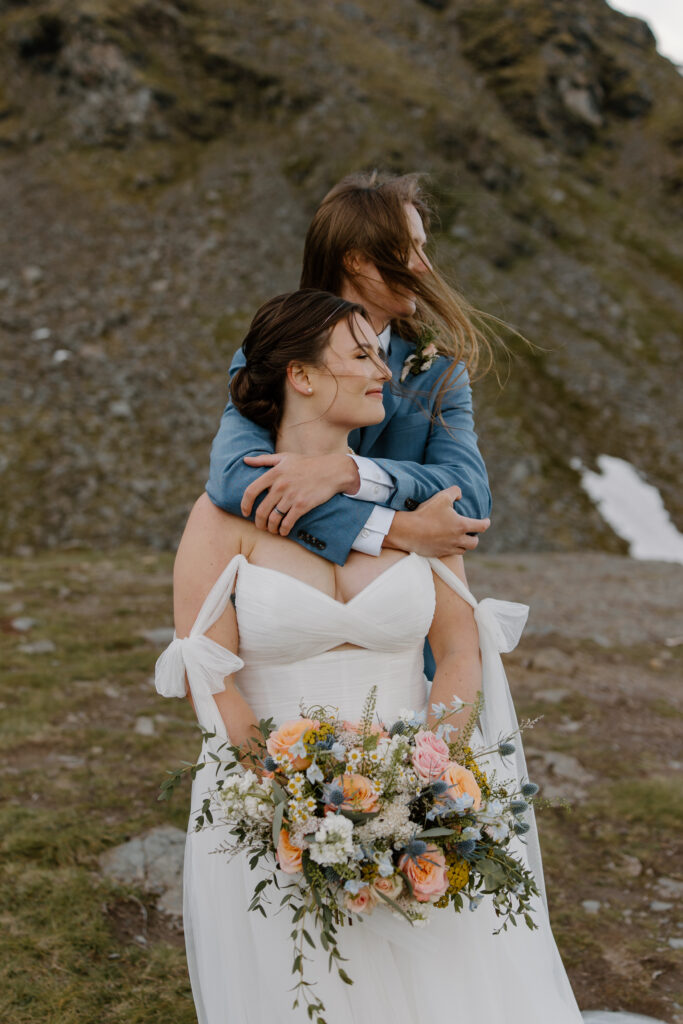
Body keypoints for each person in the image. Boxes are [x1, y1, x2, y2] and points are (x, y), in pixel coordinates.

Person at [155, 289, 584, 1024]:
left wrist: (428, 778)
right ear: (302, 377)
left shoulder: (410, 522)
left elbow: (455, 648)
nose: (384, 373)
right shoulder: (220, 518)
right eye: (360, 356)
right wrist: (289, 798)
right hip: (276, 812)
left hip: (420, 806)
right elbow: (211, 676)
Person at [206, 172, 492, 594]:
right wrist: (394, 530)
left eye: (423, 248)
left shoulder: (440, 372)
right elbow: (234, 480)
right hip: (288, 609)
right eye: (408, 249)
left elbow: (469, 500)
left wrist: (350, 473)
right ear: (356, 260)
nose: (425, 266)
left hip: (403, 624)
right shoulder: (277, 353)